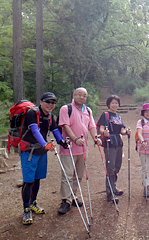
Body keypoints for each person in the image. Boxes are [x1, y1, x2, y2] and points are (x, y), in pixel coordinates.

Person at [21, 92, 67, 225]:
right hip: (29, 151)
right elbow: (35, 130)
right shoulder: (32, 113)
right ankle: (26, 209)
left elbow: (55, 131)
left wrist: (62, 142)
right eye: (48, 102)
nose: (50, 105)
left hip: (41, 152)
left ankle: (33, 202)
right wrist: (45, 144)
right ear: (40, 102)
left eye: (53, 103)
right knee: (28, 181)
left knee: (37, 178)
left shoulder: (51, 116)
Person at [57, 87, 98, 215]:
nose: (81, 97)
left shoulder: (88, 110)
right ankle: (65, 200)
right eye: (79, 94)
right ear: (74, 94)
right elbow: (65, 125)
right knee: (67, 175)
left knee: (78, 175)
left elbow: (91, 126)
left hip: (82, 148)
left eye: (84, 95)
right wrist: (74, 139)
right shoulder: (66, 109)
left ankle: (73, 196)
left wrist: (96, 138)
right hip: (68, 148)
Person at [97, 95, 131, 203]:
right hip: (109, 143)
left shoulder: (118, 116)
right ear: (108, 104)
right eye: (113, 103)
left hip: (118, 142)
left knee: (117, 166)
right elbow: (101, 128)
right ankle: (110, 192)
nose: (115, 105)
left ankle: (114, 187)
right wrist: (104, 133)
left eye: (116, 103)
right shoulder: (105, 115)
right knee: (110, 168)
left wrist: (127, 132)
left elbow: (121, 130)